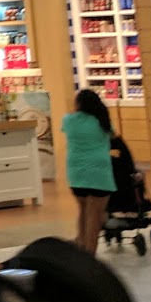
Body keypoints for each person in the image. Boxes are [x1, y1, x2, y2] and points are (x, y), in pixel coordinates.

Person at [62, 89, 116, 254]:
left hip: (76, 173)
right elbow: (113, 136)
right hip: (99, 172)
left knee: (83, 210)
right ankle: (90, 254)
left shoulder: (68, 120)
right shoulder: (102, 121)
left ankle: (82, 248)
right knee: (95, 215)